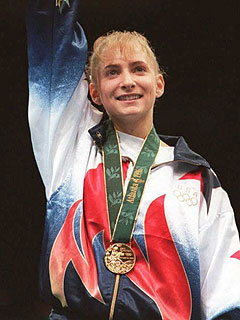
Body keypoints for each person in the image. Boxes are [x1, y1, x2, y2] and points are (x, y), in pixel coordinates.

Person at [26, 0, 240, 319]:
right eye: (112, 72)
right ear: (94, 92)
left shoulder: (198, 182)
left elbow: (227, 293)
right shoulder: (68, 147)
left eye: (138, 69)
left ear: (159, 84)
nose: (127, 81)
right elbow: (51, 41)